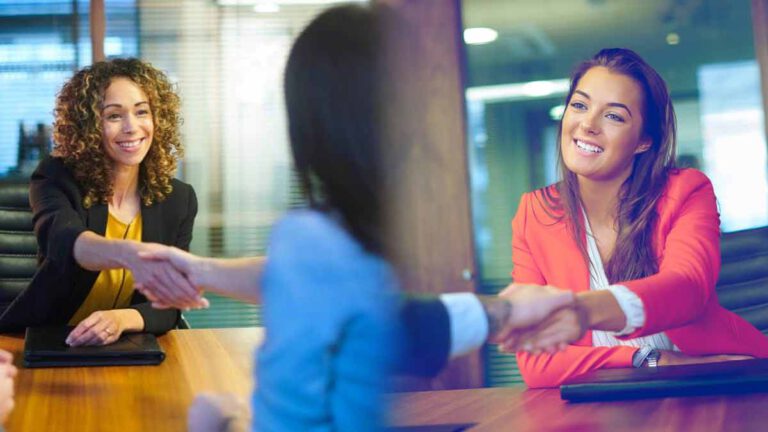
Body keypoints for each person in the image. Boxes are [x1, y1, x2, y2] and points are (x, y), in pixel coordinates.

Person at [136, 5, 584, 431]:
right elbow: (335, 291)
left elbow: (340, 300)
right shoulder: (331, 241)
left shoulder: (323, 239)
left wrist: (226, 420)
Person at [509, 48, 768, 388]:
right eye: (580, 105)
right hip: (606, 399)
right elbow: (536, 362)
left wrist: (580, 310)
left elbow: (686, 288)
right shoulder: (535, 213)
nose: (587, 124)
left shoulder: (687, 190)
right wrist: (645, 359)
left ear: (644, 141)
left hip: (717, 376)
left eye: (614, 116)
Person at [0, 58, 201, 347]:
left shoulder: (178, 199)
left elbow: (170, 304)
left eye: (142, 111)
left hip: (124, 344)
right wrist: (131, 253)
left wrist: (121, 319)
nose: (132, 127)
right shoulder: (55, 177)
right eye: (114, 116)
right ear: (90, 126)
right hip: (49, 339)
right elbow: (67, 243)